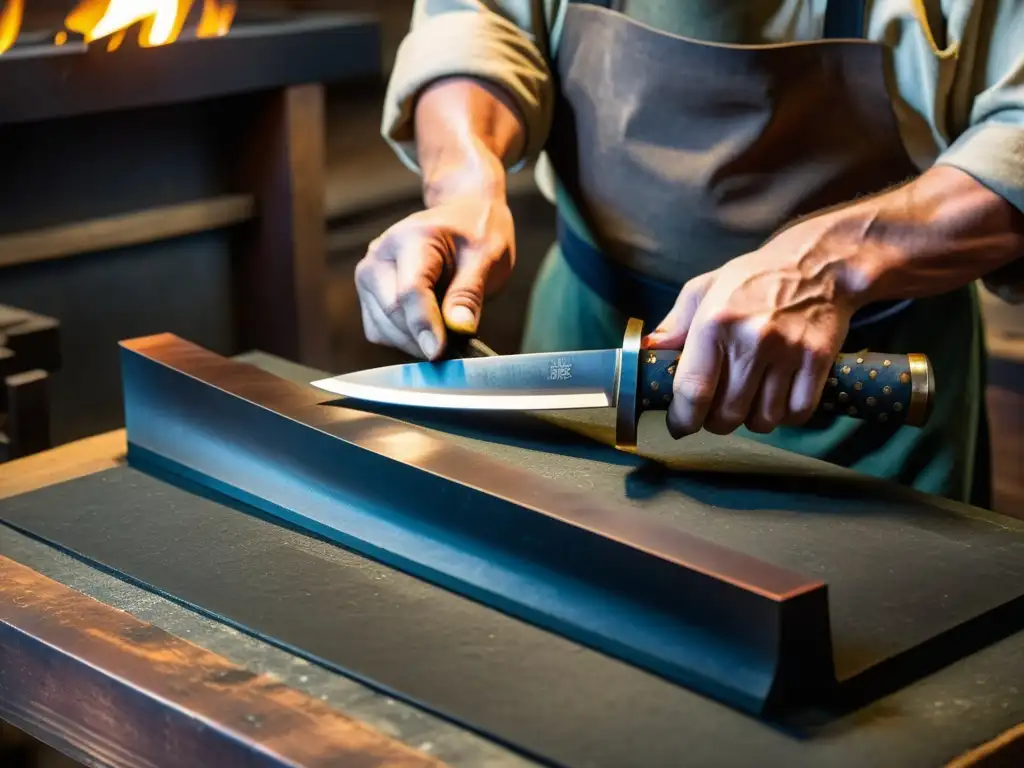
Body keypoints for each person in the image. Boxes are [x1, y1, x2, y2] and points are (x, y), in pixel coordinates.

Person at [355, 0, 1024, 508]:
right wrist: (464, 182)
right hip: (591, 339)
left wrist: (833, 262)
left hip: (858, 385)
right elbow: (476, 19)